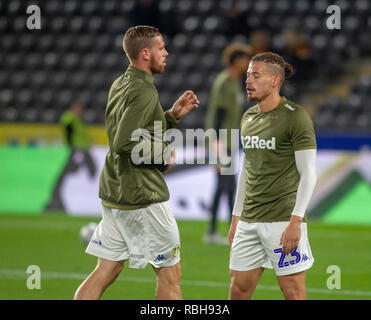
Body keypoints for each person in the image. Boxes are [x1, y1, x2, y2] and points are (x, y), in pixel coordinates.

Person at [74, 26, 199, 300]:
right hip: (142, 195)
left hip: (115, 191)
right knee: (169, 275)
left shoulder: (121, 83)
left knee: (106, 270)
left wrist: (171, 116)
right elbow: (124, 143)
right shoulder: (144, 91)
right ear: (146, 53)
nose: (166, 53)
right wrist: (163, 154)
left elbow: (135, 131)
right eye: (161, 48)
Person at [228, 52, 317, 300]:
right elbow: (247, 169)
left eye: (256, 75)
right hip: (248, 221)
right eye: (247, 75)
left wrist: (296, 221)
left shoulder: (295, 117)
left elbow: (308, 172)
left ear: (275, 80)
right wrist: (236, 217)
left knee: (293, 293)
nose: (248, 80)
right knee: (237, 291)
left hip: (282, 221)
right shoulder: (248, 117)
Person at [204, 43, 252, 244]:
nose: (247, 63)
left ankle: (214, 231)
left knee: (225, 186)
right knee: (228, 185)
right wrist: (216, 144)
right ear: (236, 60)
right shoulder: (225, 82)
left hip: (230, 139)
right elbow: (218, 114)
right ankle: (227, 231)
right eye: (245, 59)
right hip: (221, 140)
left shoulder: (235, 82)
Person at [46, 101, 96, 211]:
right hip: (74, 151)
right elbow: (69, 134)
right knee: (62, 179)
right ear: (73, 108)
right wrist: (72, 147)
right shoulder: (69, 119)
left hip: (80, 150)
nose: (80, 111)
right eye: (78, 108)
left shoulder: (78, 121)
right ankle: (56, 203)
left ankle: (57, 203)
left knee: (62, 180)